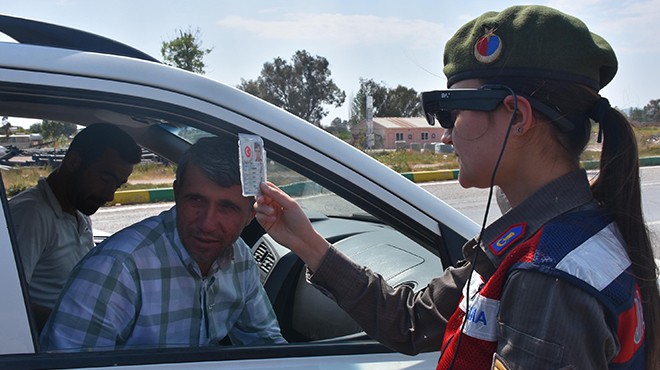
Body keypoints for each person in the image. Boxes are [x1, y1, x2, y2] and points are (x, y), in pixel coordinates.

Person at [253, 5, 659, 370]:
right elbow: (413, 321)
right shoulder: (552, 239)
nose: (445, 137)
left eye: (451, 112)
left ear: (517, 116)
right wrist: (306, 242)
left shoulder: (548, 276)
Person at [41, 136, 285, 351]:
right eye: (196, 200)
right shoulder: (116, 270)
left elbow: (265, 342)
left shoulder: (239, 258)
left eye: (227, 207)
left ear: (250, 216)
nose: (208, 224)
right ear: (177, 193)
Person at [9, 123, 141, 331]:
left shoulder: (78, 211)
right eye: (105, 179)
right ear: (73, 162)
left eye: (117, 185)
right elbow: (8, 303)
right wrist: (78, 325)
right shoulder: (30, 215)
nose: (109, 195)